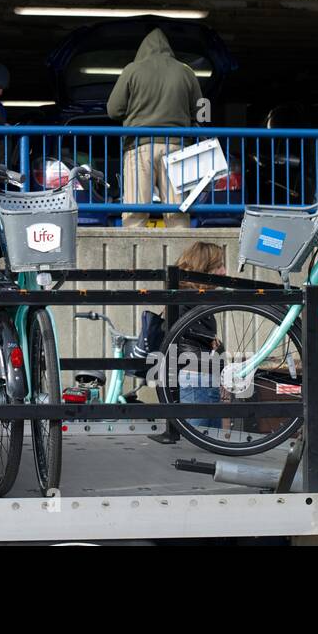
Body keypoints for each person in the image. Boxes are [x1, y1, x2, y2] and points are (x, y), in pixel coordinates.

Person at [106, 28, 200, 227]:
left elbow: (113, 110)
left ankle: (132, 256)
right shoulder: (186, 71)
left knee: (135, 212)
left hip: (139, 146)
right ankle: (182, 256)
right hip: (177, 146)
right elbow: (203, 111)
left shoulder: (132, 69)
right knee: (177, 212)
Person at [170, 241, 227, 429]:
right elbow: (181, 334)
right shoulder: (184, 297)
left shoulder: (197, 298)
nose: (224, 272)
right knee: (197, 444)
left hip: (203, 378)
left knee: (210, 442)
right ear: (204, 269)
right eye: (219, 266)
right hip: (195, 379)